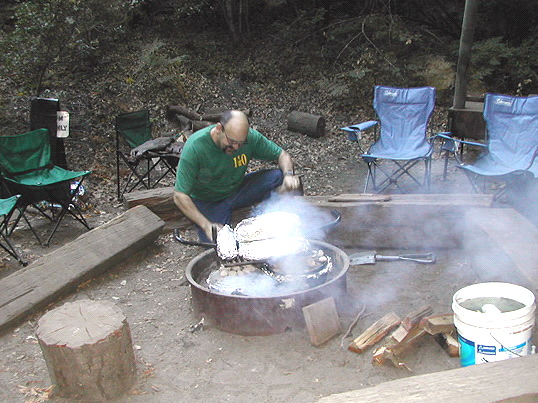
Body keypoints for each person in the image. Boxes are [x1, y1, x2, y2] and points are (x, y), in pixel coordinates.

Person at [174, 110, 301, 242]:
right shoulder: (195, 147)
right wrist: (206, 225)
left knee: (279, 177)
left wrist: (289, 175)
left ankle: (280, 216)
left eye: (241, 143)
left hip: (238, 189)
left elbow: (282, 155)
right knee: (219, 242)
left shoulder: (249, 137)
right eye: (232, 141)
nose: (236, 147)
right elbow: (179, 195)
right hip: (209, 200)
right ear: (219, 129)